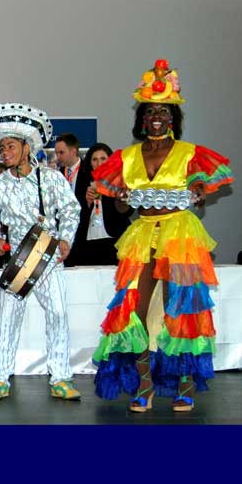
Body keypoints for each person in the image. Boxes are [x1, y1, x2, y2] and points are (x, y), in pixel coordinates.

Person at [91, 58, 233, 412]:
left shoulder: (188, 153)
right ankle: (145, 384)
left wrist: (198, 189)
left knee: (178, 309)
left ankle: (184, 384)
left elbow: (199, 181)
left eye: (163, 111)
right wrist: (122, 199)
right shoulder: (126, 157)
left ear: (173, 118)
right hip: (142, 235)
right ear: (142, 118)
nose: (156, 116)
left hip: (178, 234)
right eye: (150, 111)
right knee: (133, 311)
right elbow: (124, 209)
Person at [0, 103, 82, 401]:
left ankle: (60, 377)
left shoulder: (50, 178)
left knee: (58, 313)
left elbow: (71, 209)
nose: (5, 152)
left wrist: (66, 240)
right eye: (2, 148)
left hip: (48, 255)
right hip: (18, 260)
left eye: (10, 146)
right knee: (8, 318)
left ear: (26, 147)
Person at [69, 143, 132, 266]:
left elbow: (129, 211)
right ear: (90, 163)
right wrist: (87, 203)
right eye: (95, 159)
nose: (99, 163)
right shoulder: (82, 183)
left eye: (103, 159)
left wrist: (118, 195)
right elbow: (75, 216)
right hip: (88, 243)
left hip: (115, 240)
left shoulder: (120, 181)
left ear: (110, 160)